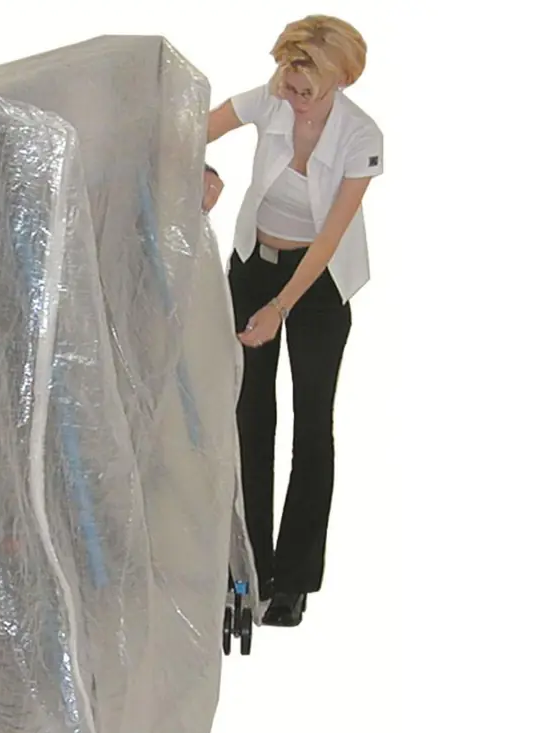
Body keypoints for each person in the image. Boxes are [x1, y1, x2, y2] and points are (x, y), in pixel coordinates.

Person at [204, 15, 382, 627]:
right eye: (288, 80)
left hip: (319, 284)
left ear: (340, 81)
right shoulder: (271, 95)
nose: (293, 96)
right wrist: (200, 171)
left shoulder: (361, 136)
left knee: (311, 424)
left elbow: (329, 239)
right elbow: (186, 133)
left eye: (307, 89)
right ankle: (248, 567)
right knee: (249, 417)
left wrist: (280, 309)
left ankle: (295, 580)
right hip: (254, 267)